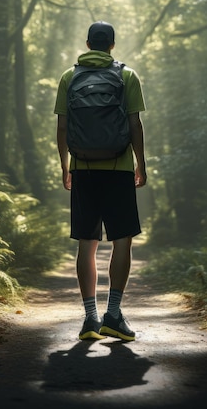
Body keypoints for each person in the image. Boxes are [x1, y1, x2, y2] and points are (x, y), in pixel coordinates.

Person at [54, 21, 147, 341]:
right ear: (112, 45)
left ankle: (90, 319)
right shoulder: (127, 76)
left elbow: (63, 128)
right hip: (119, 168)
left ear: (88, 43)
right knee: (122, 240)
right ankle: (114, 315)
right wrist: (141, 165)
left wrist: (65, 166)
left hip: (83, 168)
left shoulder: (69, 76)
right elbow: (135, 125)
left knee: (87, 242)